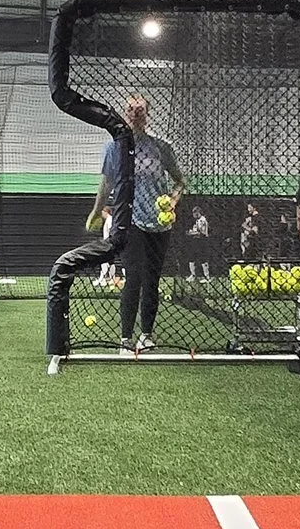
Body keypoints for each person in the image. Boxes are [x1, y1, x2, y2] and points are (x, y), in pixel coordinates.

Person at [87, 94, 185, 351]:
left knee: (152, 279)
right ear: (124, 113)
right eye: (131, 109)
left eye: (140, 110)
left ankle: (147, 335)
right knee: (134, 277)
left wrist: (173, 202)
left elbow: (180, 181)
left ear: (147, 114)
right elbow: (106, 183)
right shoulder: (114, 147)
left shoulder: (161, 146)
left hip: (159, 225)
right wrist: (96, 211)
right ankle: (125, 338)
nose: (135, 114)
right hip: (129, 221)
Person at [185, 203, 212, 281]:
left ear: (198, 213)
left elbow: (201, 232)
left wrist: (191, 233)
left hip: (201, 240)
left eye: (195, 213)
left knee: (203, 258)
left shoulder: (202, 220)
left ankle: (207, 277)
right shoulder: (198, 220)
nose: (193, 215)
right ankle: (193, 275)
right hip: (196, 241)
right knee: (192, 257)